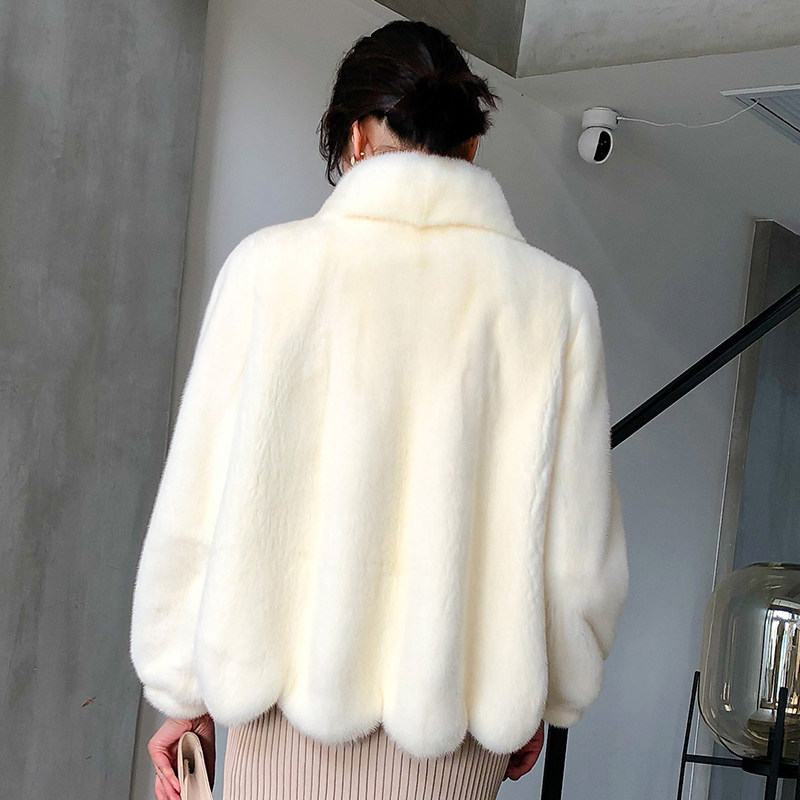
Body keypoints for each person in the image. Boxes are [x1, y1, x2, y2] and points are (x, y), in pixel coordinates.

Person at [130, 19, 628, 800]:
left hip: (279, 718)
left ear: (356, 138)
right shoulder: (554, 302)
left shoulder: (268, 272)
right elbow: (577, 549)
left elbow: (201, 504)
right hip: (454, 732)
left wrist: (182, 693)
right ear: (470, 144)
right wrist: (543, 692)